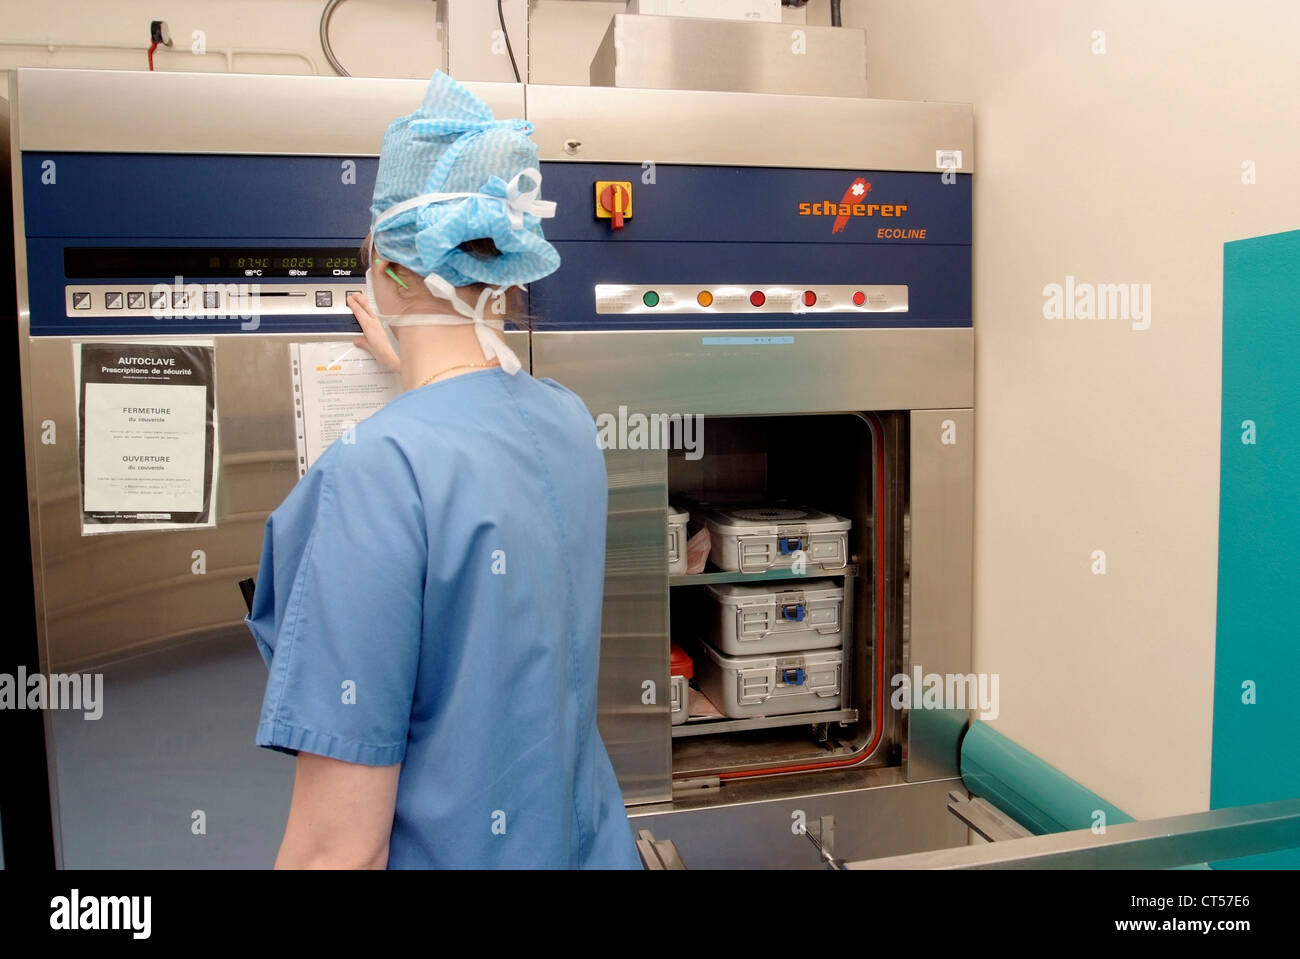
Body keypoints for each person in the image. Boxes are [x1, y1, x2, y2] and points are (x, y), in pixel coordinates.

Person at [245, 71, 641, 870]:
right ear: (501, 266)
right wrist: (413, 366)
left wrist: (412, 380)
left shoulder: (374, 474)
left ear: (384, 267)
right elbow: (483, 394)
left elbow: (340, 848)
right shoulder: (566, 419)